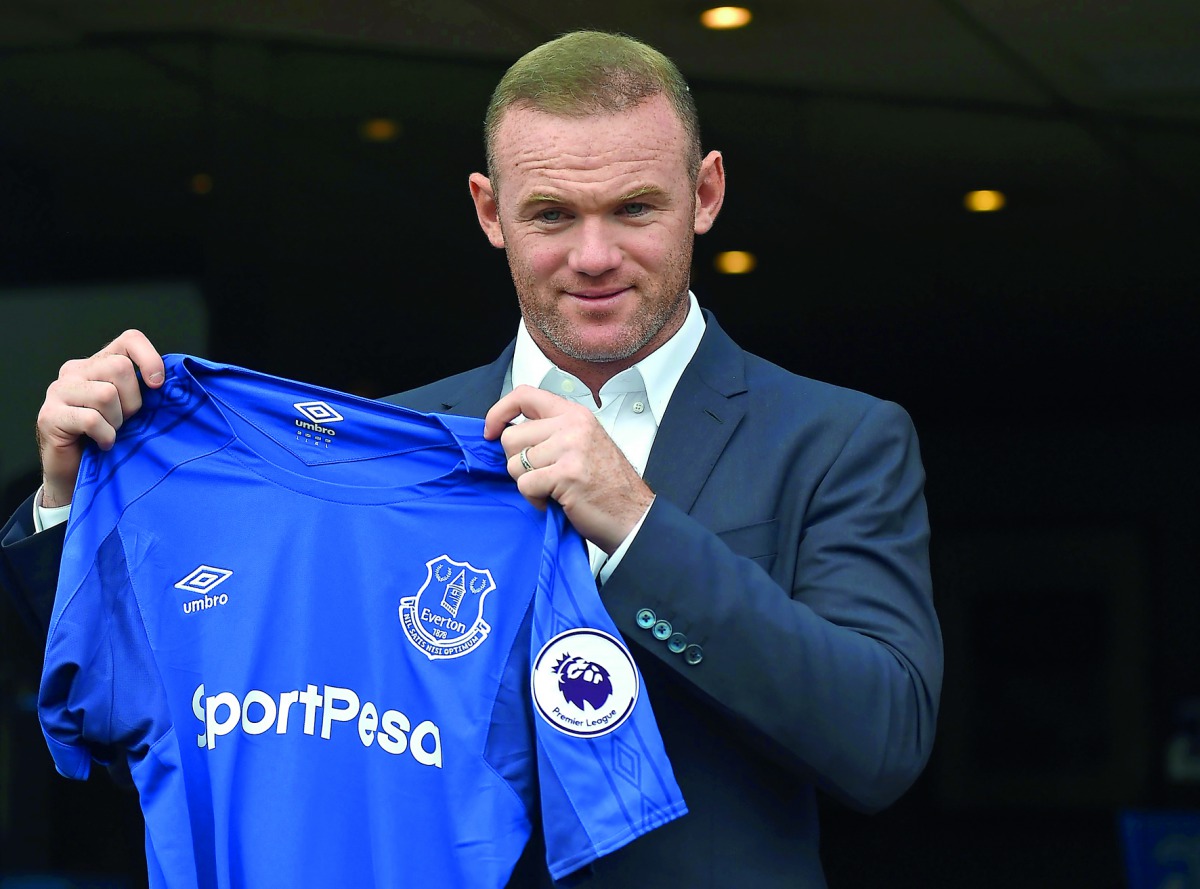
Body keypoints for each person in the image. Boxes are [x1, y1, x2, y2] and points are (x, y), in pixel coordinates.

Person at [1, 30, 942, 888]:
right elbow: (201, 688)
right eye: (551, 215)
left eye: (635, 207)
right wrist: (73, 503)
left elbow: (880, 739)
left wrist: (637, 526)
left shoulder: (839, 440)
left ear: (706, 193)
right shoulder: (384, 441)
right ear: (489, 211)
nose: (595, 253)